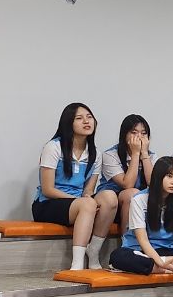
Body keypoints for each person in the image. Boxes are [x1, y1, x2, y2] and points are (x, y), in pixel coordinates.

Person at [32, 103, 117, 270]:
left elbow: (88, 190)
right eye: (79, 118)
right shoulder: (53, 147)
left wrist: (86, 199)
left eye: (89, 117)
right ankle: (77, 264)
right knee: (87, 204)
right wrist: (81, 201)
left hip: (78, 203)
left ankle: (94, 251)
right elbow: (48, 189)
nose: (86, 121)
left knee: (110, 197)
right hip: (47, 204)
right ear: (68, 123)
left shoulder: (95, 154)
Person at [108, 157, 173, 275]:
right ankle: (161, 268)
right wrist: (161, 262)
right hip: (140, 250)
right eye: (169, 176)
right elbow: (143, 240)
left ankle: (160, 267)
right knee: (118, 257)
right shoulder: (139, 199)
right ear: (158, 177)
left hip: (168, 251)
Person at [97, 114, 155, 234]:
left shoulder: (151, 156)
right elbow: (127, 184)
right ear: (124, 135)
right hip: (111, 204)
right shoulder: (110, 155)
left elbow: (153, 183)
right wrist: (135, 154)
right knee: (131, 193)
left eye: (143, 133)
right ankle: (126, 241)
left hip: (139, 203)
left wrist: (144, 154)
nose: (139, 137)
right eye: (134, 132)